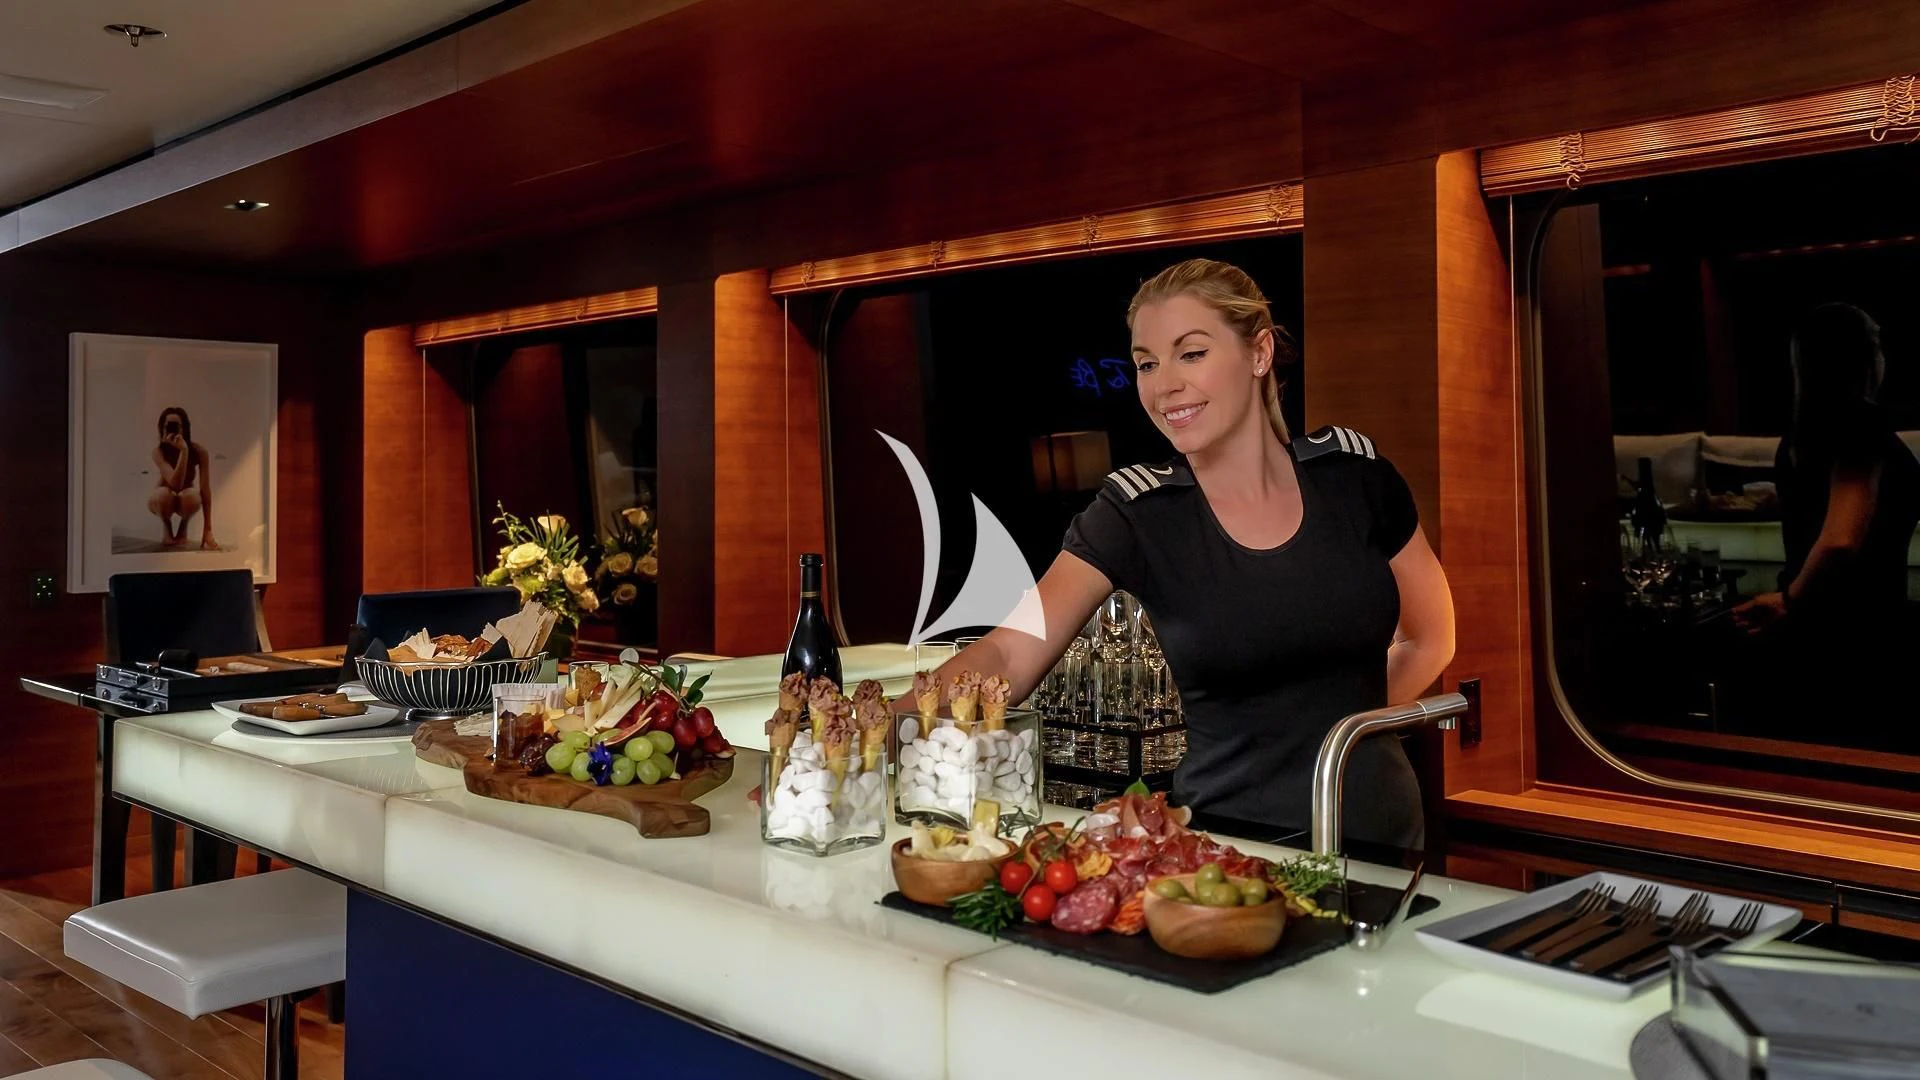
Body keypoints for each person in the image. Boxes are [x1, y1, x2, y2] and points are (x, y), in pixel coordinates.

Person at [920, 259, 1455, 848]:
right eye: (1147, 363)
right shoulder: (1137, 513)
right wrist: (889, 728)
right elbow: (1007, 652)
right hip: (1233, 850)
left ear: (1259, 354)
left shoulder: (1356, 479)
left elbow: (1430, 639)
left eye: (1191, 353)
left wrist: (1339, 745)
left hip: (1383, 838)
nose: (1162, 384)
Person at [1731, 304, 1919, 740]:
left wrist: (1790, 599)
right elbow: (1840, 540)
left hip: (1812, 628)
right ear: (1862, 357)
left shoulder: (1802, 431)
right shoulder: (1862, 422)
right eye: (1877, 345)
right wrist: (1789, 600)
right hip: (1861, 633)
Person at [148, 406, 218, 550]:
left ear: (184, 428)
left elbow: (205, 491)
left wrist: (208, 530)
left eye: (177, 426)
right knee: (163, 494)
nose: (173, 430)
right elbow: (175, 484)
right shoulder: (158, 452)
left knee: (192, 495)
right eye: (169, 426)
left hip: (186, 499)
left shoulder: (199, 451)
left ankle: (183, 525)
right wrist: (183, 451)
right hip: (162, 500)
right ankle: (166, 526)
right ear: (162, 428)